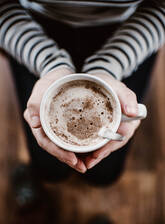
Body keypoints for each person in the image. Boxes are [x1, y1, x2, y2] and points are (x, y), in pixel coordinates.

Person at [0, 0, 164, 185]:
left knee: (104, 175)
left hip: (132, 31)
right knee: (49, 169)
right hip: (29, 31)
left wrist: (108, 67)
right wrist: (50, 63)